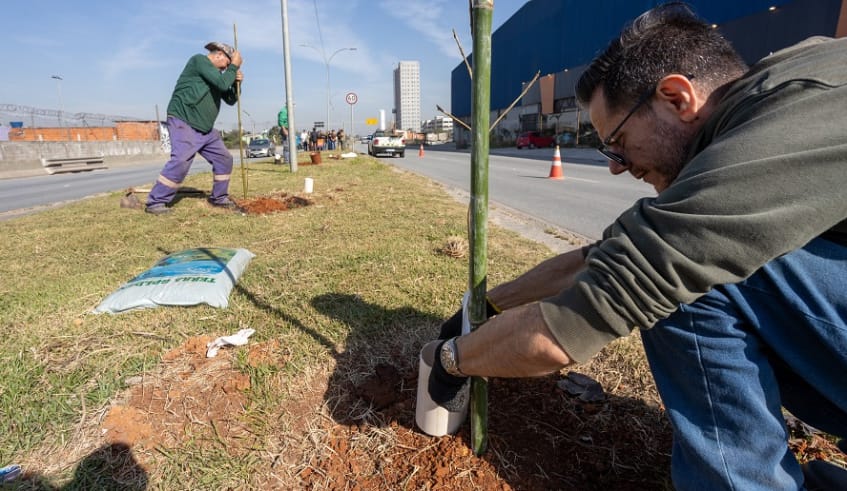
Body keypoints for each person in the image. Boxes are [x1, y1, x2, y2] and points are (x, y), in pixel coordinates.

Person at [427, 3, 847, 490]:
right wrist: (492, 302)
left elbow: (580, 317)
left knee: (690, 284)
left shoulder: (787, 122)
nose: (615, 166)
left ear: (676, 96)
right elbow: (604, 255)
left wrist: (453, 358)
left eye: (618, 143)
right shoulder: (774, 97)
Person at [145, 42, 244, 215]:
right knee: (182, 159)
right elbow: (222, 83)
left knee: (224, 159)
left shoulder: (217, 75)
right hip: (185, 120)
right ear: (220, 54)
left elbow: (229, 99)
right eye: (227, 64)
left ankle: (219, 198)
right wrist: (234, 67)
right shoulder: (199, 61)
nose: (227, 68)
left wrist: (237, 84)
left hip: (205, 129)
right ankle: (156, 201)